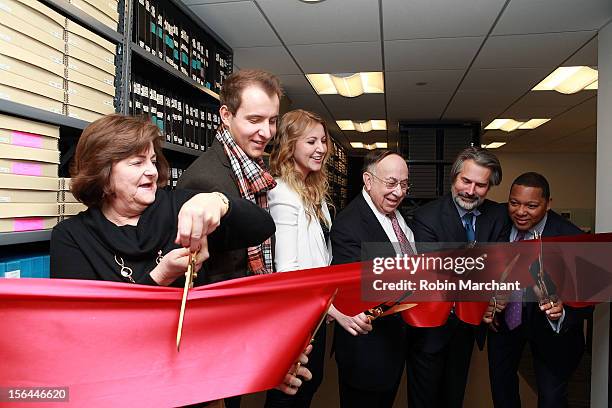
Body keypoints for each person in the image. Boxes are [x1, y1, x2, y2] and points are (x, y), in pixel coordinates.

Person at [49, 114, 312, 401]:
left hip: (195, 386)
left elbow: (261, 227)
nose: (150, 171)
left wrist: (218, 201)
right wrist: (159, 278)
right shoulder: (72, 236)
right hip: (120, 392)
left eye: (152, 160)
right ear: (102, 172)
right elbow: (87, 335)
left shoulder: (180, 206)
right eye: (137, 163)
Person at [410, 146, 510, 408]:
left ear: (490, 187)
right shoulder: (426, 217)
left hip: (467, 328)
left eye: (480, 185)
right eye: (465, 181)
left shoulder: (498, 216)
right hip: (432, 328)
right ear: (453, 178)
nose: (470, 191)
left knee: (454, 397)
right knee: (425, 400)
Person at [485, 172, 593, 408]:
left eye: (531, 205)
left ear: (548, 204)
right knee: (502, 392)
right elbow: (480, 270)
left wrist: (563, 312)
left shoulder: (571, 237)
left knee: (551, 397)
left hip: (551, 331)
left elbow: (588, 295)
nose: (520, 211)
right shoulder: (495, 224)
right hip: (504, 325)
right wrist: (488, 303)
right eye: (514, 203)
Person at [177, 69, 282, 284]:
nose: (267, 132)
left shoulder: (258, 170)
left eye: (272, 121)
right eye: (255, 120)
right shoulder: (202, 180)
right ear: (226, 115)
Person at [330, 150, 415, 408]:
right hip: (367, 349)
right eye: (391, 183)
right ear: (368, 181)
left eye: (404, 184)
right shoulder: (349, 224)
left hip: (394, 344)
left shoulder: (397, 215)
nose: (398, 192)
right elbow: (361, 288)